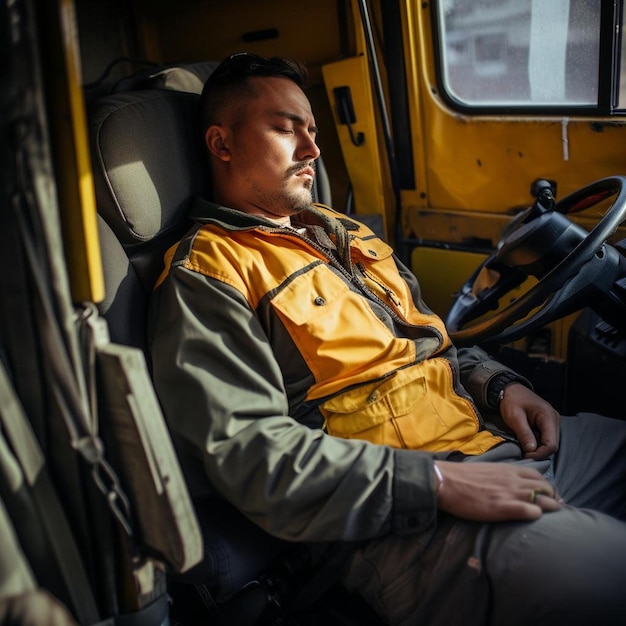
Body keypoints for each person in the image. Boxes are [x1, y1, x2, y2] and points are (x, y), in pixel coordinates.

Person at [148, 53, 626, 625]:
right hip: (409, 515)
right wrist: (437, 483)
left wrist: (498, 385)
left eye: (312, 130)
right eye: (284, 128)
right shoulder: (208, 272)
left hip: (496, 439)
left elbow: (431, 342)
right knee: (606, 575)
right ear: (221, 145)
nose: (312, 149)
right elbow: (252, 454)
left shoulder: (343, 232)